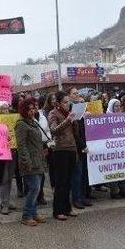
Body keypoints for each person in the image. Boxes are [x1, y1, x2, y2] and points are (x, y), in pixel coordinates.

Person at [14, 98, 47, 226]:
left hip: (38, 159)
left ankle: (33, 213)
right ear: (24, 110)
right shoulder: (21, 124)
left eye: (34, 108)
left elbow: (36, 140)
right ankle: (26, 215)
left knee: (36, 188)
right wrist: (27, 162)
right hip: (29, 162)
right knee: (34, 188)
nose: (32, 111)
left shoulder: (33, 122)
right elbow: (21, 145)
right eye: (29, 109)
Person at [48, 91, 78, 221]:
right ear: (58, 103)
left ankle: (67, 208)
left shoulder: (70, 113)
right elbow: (54, 130)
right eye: (65, 102)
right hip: (60, 150)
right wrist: (67, 120)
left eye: (68, 102)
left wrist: (76, 119)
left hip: (71, 148)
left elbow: (74, 131)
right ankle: (58, 210)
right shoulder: (53, 113)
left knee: (69, 181)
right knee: (61, 182)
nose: (68, 104)